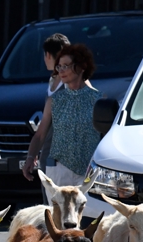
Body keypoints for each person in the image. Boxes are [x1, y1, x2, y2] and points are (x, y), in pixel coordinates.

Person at [22, 44, 101, 187]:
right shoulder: (54, 101)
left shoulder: (98, 100)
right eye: (59, 66)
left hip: (89, 171)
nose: (61, 71)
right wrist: (30, 157)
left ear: (81, 67)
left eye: (66, 66)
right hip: (58, 171)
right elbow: (40, 135)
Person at [26, 33, 71, 194]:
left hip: (66, 162)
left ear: (48, 55)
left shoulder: (73, 82)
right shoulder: (53, 81)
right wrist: (31, 155)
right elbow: (43, 130)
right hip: (48, 158)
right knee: (50, 205)